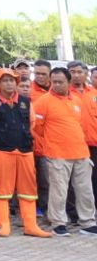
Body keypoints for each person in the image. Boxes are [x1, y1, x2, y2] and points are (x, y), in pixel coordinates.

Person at [0, 68, 48, 237]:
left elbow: (31, 123)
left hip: (24, 150)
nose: (9, 84)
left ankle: (31, 226)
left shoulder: (25, 102)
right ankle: (4, 225)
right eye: (5, 81)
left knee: (28, 189)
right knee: (1, 189)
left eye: (12, 80)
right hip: (0, 151)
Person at [31, 65, 96, 235]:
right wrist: (51, 141)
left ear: (68, 82)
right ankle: (58, 222)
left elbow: (80, 125)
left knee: (85, 190)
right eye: (54, 82)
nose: (56, 85)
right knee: (58, 190)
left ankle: (87, 222)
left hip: (81, 152)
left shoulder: (76, 100)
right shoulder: (44, 101)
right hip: (57, 153)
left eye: (60, 82)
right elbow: (36, 126)